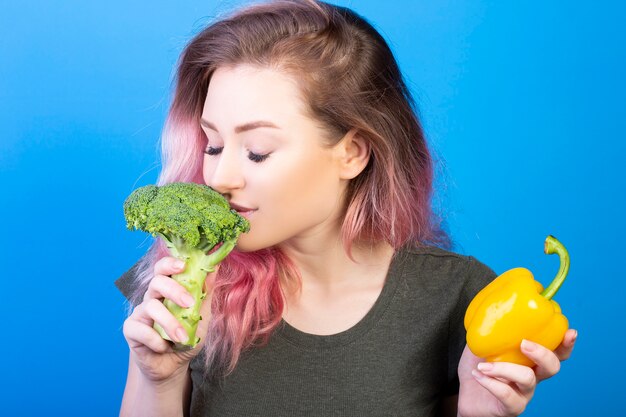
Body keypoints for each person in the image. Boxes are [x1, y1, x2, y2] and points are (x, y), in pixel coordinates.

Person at [116, 1, 577, 416]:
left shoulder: (460, 298)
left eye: (257, 151)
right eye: (213, 144)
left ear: (353, 152)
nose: (218, 179)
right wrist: (157, 375)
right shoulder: (181, 285)